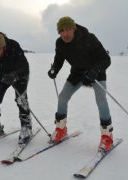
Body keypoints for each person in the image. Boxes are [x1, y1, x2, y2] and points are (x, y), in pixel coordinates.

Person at [48, 16, 113, 151]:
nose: (65, 34)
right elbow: (59, 59)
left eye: (67, 30)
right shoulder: (60, 43)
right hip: (77, 73)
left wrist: (95, 70)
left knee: (101, 100)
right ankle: (61, 129)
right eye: (61, 31)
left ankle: (107, 136)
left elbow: (105, 59)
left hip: (96, 72)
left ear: (73, 28)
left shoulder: (89, 38)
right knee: (63, 97)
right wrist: (54, 69)